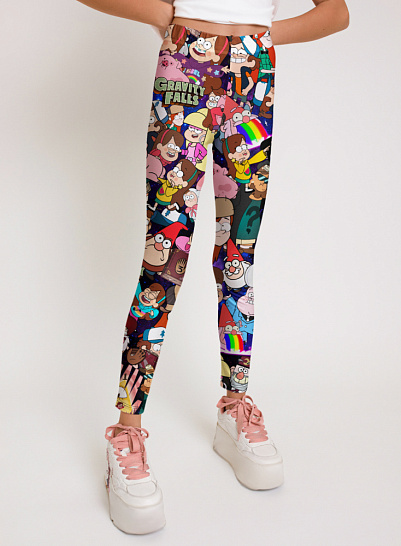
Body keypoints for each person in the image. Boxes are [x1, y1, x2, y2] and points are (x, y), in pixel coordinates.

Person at [77, 0, 349, 535]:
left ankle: (235, 405)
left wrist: (262, 37)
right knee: (164, 261)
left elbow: (336, 13)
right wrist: (165, 15)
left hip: (254, 73)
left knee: (238, 256)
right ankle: (126, 432)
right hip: (186, 66)